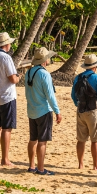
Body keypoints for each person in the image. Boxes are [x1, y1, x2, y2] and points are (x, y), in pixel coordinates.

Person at [25, 47, 61, 176]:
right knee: (42, 141)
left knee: (33, 139)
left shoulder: (28, 73)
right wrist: (57, 111)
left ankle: (31, 166)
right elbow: (50, 95)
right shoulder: (44, 74)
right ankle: (41, 168)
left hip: (32, 110)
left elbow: (27, 93)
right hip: (43, 110)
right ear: (45, 60)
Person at [0, 32, 20, 166]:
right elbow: (12, 78)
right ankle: (5, 158)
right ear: (6, 45)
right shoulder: (6, 58)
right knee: (7, 128)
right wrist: (18, 78)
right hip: (7, 96)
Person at [72, 54, 97, 171]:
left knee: (81, 139)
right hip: (94, 111)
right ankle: (96, 166)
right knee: (95, 139)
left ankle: (80, 164)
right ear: (95, 66)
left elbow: (73, 95)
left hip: (81, 110)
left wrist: (78, 104)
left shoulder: (78, 78)